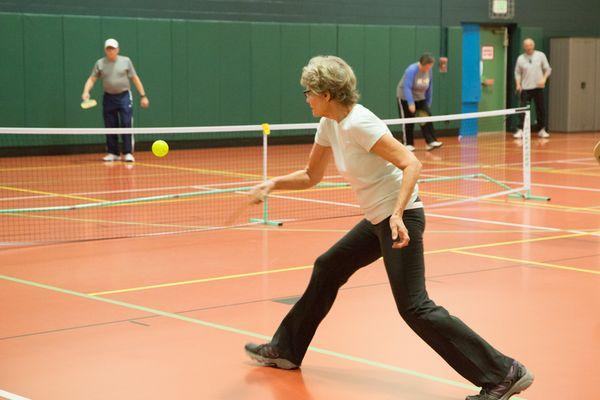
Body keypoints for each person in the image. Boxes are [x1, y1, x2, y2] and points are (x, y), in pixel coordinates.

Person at [244, 55, 534, 400]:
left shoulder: (359, 124)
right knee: (328, 266)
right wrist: (271, 184)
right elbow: (311, 175)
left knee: (415, 307)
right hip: (377, 219)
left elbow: (411, 162)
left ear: (326, 93)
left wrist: (397, 214)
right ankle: (286, 350)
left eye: (308, 91)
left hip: (401, 218)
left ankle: (504, 372)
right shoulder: (330, 124)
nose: (305, 97)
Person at [81, 38, 149, 162]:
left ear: (117, 49)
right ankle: (113, 153)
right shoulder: (100, 63)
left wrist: (143, 95)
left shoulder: (126, 61)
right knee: (110, 125)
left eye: (113, 48)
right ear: (105, 50)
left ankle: (128, 152)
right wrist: (86, 91)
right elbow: (92, 79)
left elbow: (135, 78)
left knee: (126, 122)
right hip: (108, 97)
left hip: (124, 96)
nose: (110, 51)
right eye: (108, 48)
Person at [396, 53, 443, 151]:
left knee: (426, 117)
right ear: (423, 64)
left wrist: (428, 102)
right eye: (428, 66)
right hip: (405, 97)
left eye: (431, 66)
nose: (429, 68)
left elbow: (430, 87)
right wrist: (410, 102)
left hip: (420, 97)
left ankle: (431, 142)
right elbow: (407, 87)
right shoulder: (411, 70)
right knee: (408, 120)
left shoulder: (429, 71)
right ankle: (407, 144)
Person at [514, 38, 552, 139]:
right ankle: (520, 130)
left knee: (541, 109)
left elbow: (548, 69)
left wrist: (544, 79)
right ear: (524, 47)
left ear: (533, 46)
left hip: (538, 88)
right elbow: (517, 72)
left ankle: (541, 129)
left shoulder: (540, 55)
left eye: (530, 45)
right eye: (526, 46)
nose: (528, 47)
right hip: (526, 88)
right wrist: (518, 84)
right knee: (522, 109)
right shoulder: (521, 58)